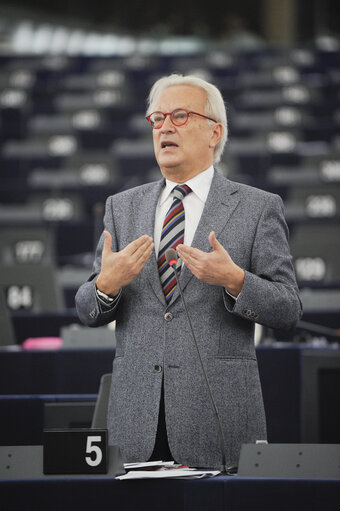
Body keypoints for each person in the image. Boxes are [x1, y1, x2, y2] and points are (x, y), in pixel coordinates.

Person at [75, 74, 302, 470]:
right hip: (136, 422)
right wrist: (106, 285)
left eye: (179, 116)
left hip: (218, 420)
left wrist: (235, 280)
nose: (164, 127)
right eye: (157, 118)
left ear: (215, 132)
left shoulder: (257, 207)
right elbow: (85, 308)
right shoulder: (121, 208)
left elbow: (288, 309)